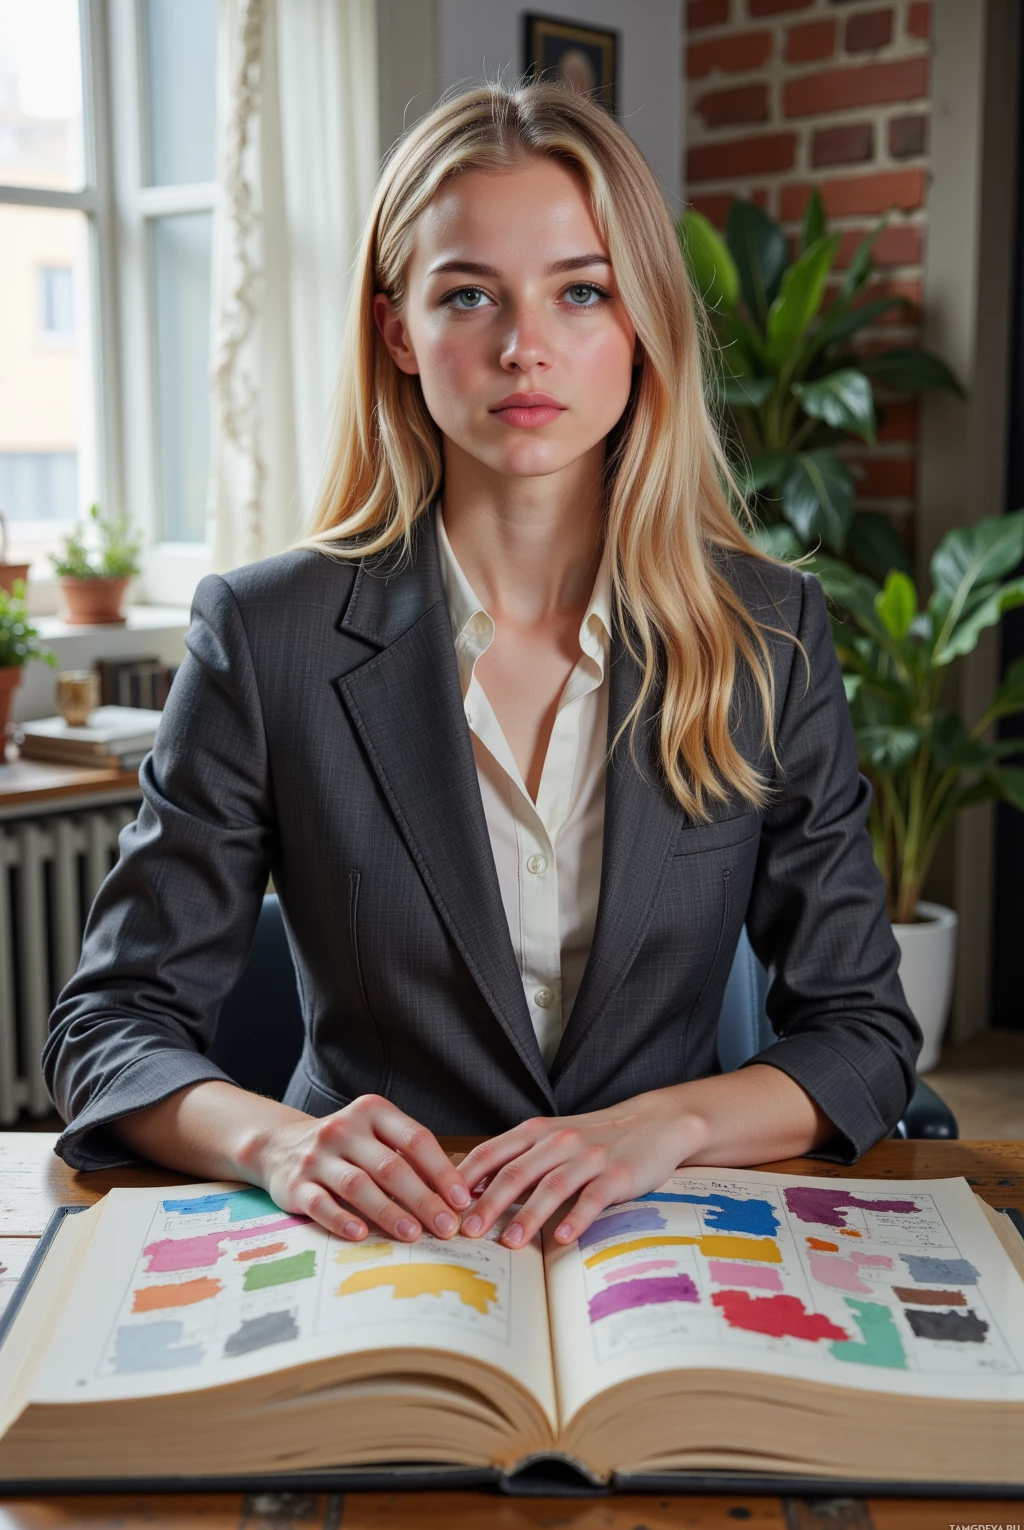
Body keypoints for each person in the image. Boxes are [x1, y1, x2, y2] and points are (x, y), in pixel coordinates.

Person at [43, 78, 921, 1257]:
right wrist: (277, 1145)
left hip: (660, 1248)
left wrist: (662, 1125)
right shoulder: (264, 634)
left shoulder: (768, 631)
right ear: (399, 328)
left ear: (642, 320)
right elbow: (111, 1027)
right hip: (364, 1257)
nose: (524, 347)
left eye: (580, 291)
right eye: (468, 294)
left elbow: (859, 1032)